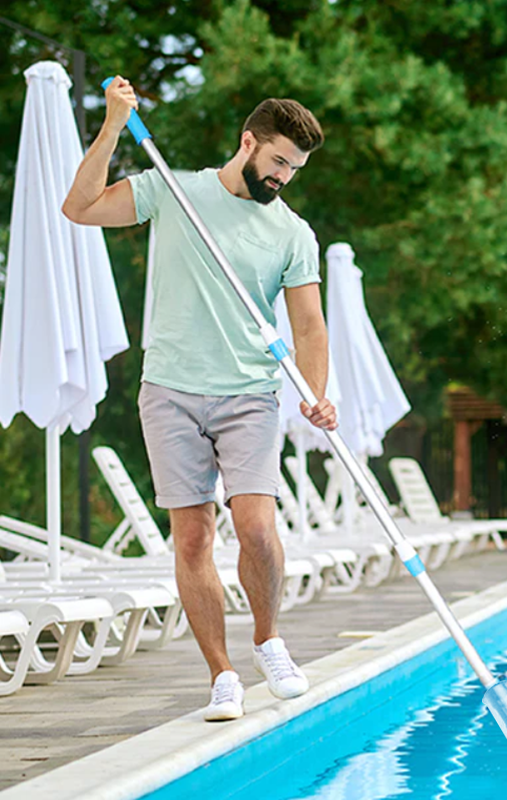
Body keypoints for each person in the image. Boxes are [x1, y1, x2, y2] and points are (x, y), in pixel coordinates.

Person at [63, 76, 337, 721]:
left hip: (249, 392)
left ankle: (268, 640)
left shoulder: (293, 234)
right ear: (248, 141)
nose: (284, 178)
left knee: (258, 529)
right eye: (277, 162)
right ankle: (222, 675)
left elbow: (309, 327)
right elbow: (79, 208)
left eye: (294, 169)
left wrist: (316, 395)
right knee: (191, 540)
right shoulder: (174, 190)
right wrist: (111, 126)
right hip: (171, 390)